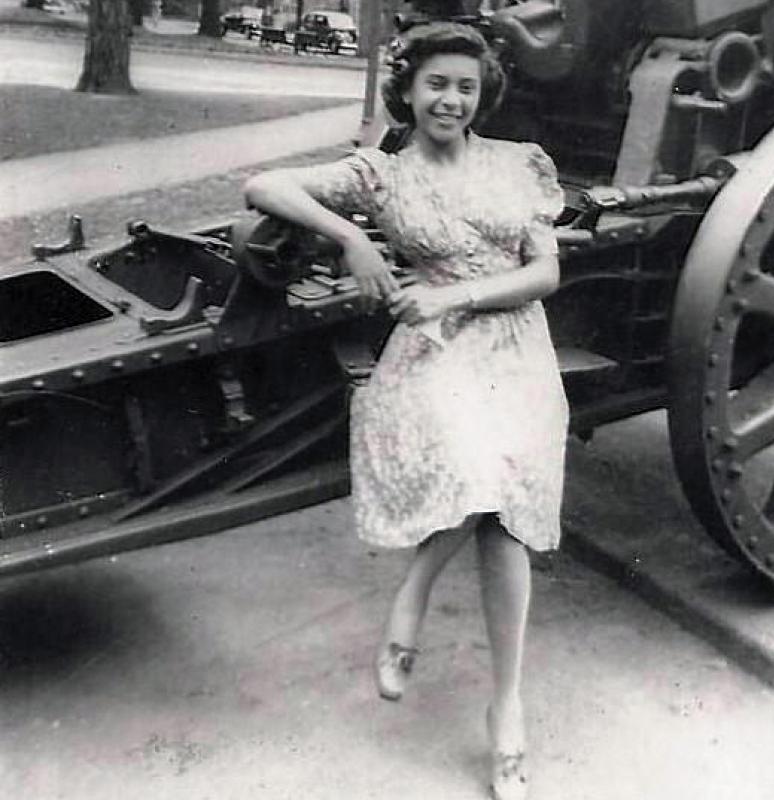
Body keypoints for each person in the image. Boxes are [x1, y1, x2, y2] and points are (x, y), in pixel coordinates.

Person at [244, 21, 568, 800]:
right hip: (434, 359)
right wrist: (349, 235)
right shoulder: (381, 177)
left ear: (481, 92)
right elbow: (265, 187)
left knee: (504, 512)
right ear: (409, 91)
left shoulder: (517, 164)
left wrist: (454, 292)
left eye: (463, 85)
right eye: (435, 84)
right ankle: (494, 696)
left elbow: (546, 274)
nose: (449, 99)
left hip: (516, 348)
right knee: (485, 479)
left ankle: (489, 682)